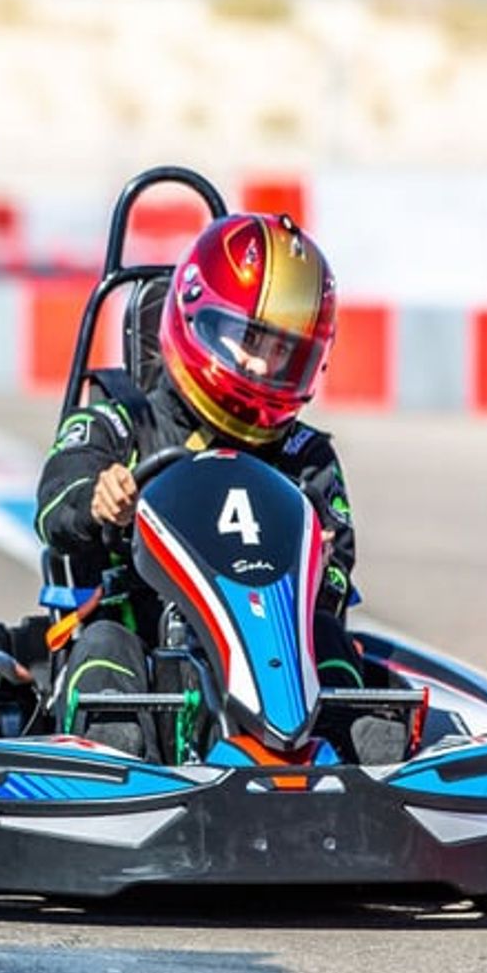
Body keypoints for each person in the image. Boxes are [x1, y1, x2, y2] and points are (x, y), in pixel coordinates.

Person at [35, 212, 364, 755]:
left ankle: (364, 769)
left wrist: (315, 566)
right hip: (144, 644)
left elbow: (337, 575)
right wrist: (98, 501)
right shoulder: (120, 425)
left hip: (275, 661)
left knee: (329, 640)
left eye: (284, 351)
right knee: (105, 644)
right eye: (251, 339)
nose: (263, 366)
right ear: (200, 321)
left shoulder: (307, 457)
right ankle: (109, 771)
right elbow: (54, 505)